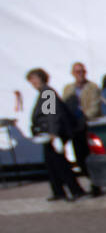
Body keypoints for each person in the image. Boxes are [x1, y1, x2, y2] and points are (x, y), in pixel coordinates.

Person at [25, 67, 86, 202]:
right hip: (50, 133)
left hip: (54, 133)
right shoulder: (44, 92)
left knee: (59, 162)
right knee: (51, 163)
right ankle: (58, 190)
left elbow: (52, 114)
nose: (32, 82)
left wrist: (53, 133)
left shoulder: (47, 93)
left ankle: (75, 190)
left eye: (33, 79)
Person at [60, 62, 101, 195]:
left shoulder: (92, 87)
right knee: (80, 158)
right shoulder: (68, 89)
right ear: (73, 73)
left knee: (91, 156)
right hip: (75, 128)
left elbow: (95, 106)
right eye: (77, 72)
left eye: (82, 71)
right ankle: (90, 179)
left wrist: (84, 117)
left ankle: (96, 184)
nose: (80, 74)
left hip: (87, 126)